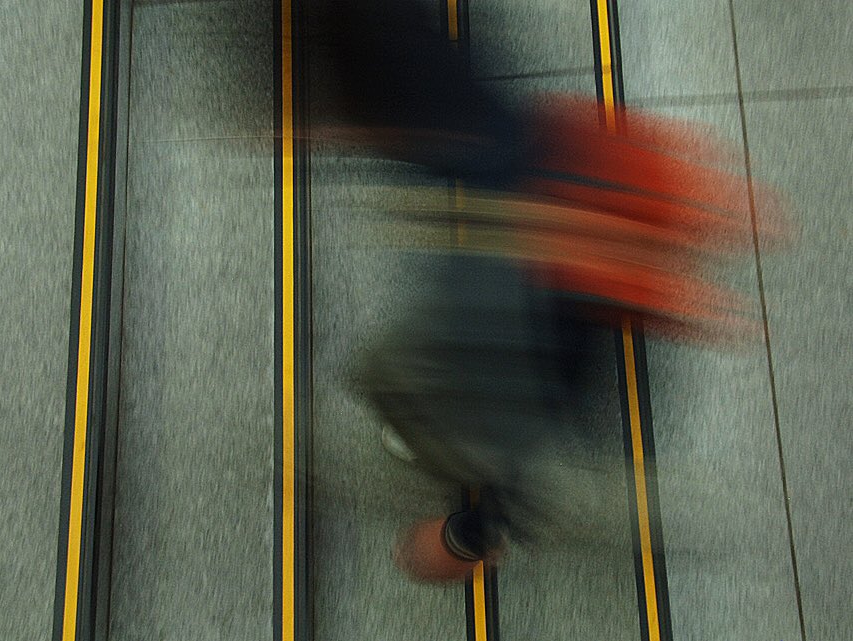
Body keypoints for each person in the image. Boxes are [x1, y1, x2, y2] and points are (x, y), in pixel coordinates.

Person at [318, 0, 785, 582]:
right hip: (533, 233)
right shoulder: (533, 162)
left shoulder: (526, 198)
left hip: (529, 265)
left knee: (424, 376)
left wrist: (469, 536)